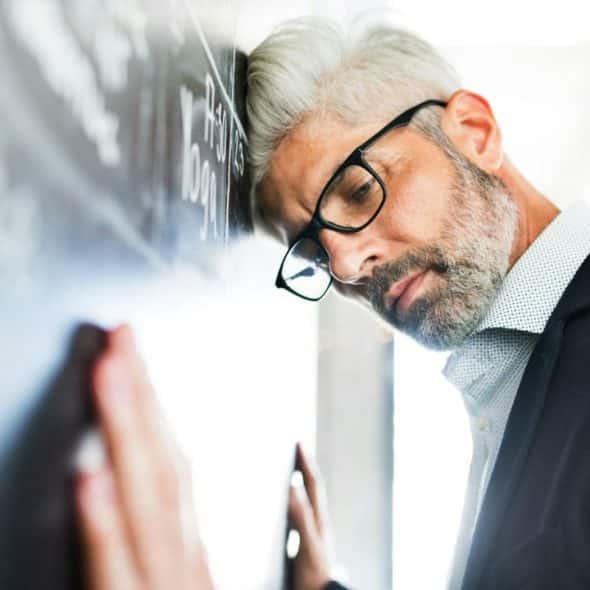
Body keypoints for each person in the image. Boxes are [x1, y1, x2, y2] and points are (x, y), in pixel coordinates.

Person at [78, 16, 590, 590]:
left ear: (475, 132)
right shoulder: (504, 378)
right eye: (316, 254)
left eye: (359, 190)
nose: (347, 269)